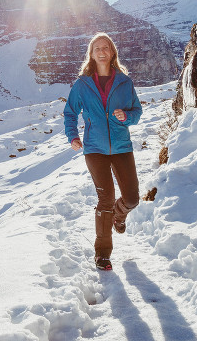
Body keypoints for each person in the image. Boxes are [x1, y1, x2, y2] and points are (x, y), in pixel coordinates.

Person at [63, 32, 142, 271]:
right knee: (105, 199)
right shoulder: (83, 84)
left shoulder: (125, 82)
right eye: (97, 48)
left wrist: (126, 116)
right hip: (94, 149)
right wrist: (73, 136)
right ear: (91, 54)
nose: (101, 51)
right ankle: (103, 254)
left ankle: (119, 215)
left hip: (121, 147)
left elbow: (137, 112)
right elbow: (70, 112)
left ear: (112, 52)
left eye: (105, 47)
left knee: (131, 198)